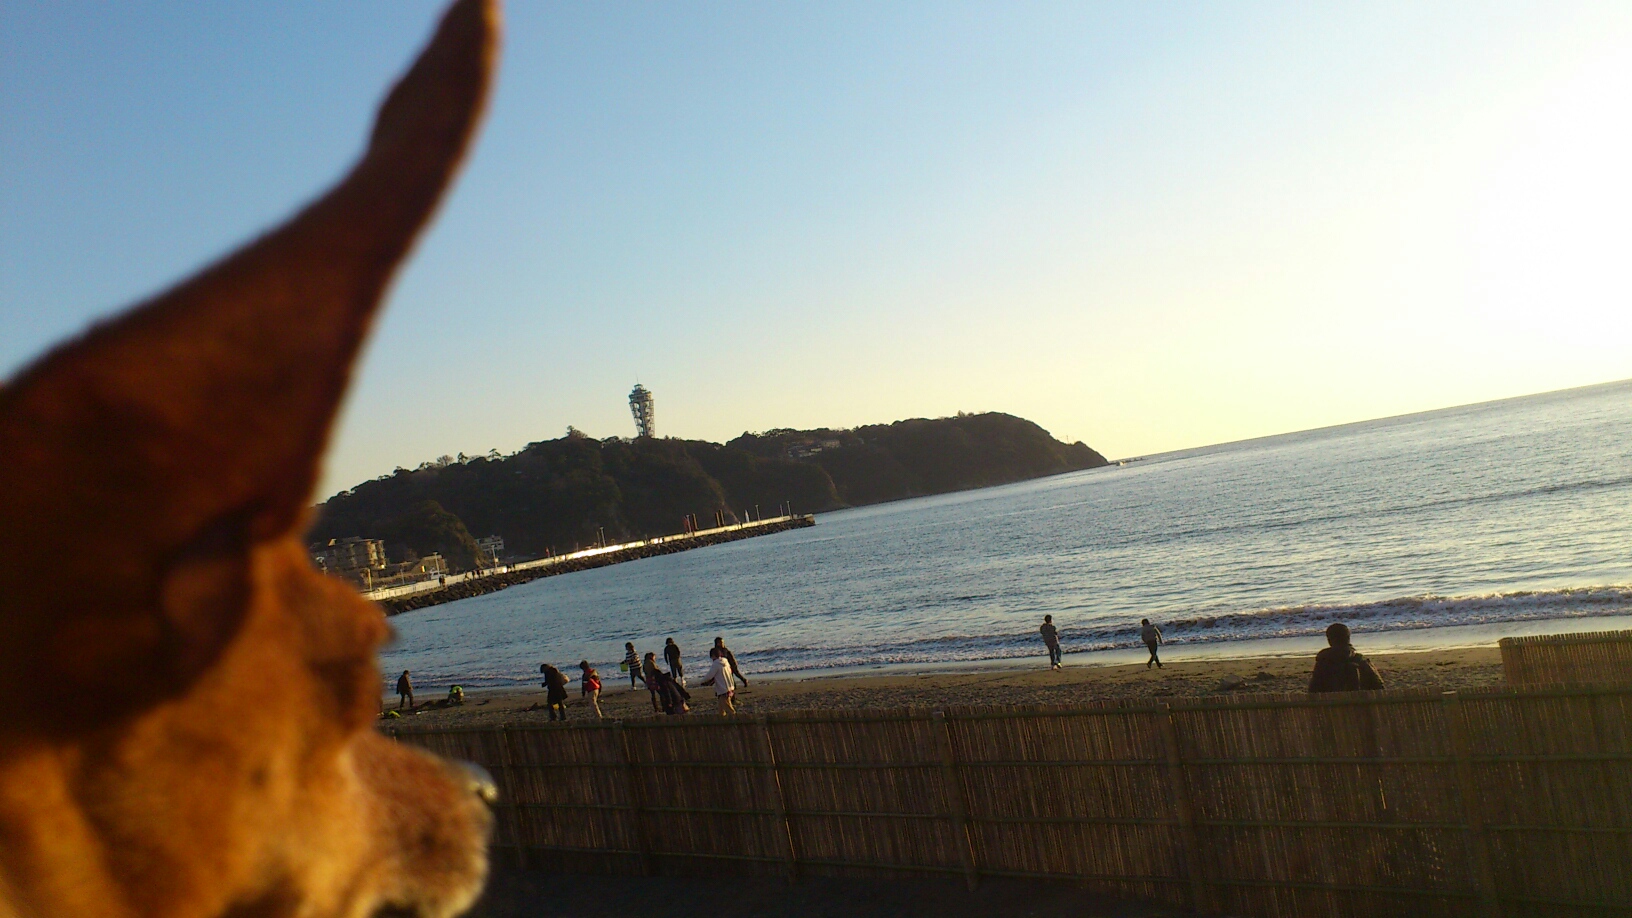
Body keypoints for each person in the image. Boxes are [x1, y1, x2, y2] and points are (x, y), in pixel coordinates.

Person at [1309, 623, 1385, 693]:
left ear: (1329, 641)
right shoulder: (1361, 660)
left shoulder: (1323, 662)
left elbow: (1313, 691)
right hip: (1360, 702)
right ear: (1348, 638)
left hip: (1331, 703)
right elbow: (1380, 688)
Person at [700, 646, 736, 715]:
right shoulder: (725, 662)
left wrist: (702, 681)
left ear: (713, 656)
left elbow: (710, 675)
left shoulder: (716, 664)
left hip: (723, 690)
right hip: (730, 687)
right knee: (721, 710)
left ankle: (736, 719)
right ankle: (722, 720)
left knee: (729, 709)